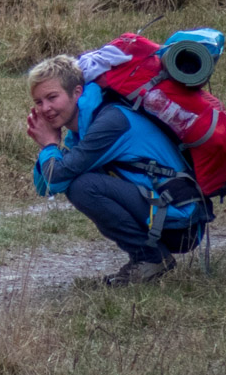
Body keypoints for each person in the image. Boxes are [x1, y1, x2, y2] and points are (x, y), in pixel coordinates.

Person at [26, 53, 211, 285]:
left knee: (83, 187)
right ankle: (146, 258)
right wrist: (49, 148)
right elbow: (47, 186)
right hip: (166, 214)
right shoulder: (84, 126)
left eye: (52, 97)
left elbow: (57, 176)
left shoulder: (109, 122)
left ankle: (151, 259)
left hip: (183, 224)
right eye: (38, 102)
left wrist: (50, 145)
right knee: (79, 181)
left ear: (77, 93)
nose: (45, 108)